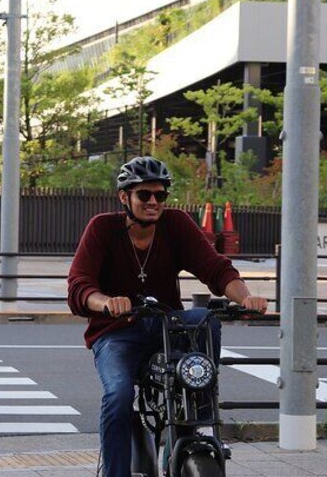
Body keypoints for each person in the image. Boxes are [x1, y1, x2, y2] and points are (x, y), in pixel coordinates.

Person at [66, 156, 267, 477]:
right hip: (116, 332)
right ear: (124, 197)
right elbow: (79, 286)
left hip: (165, 325)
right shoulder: (102, 228)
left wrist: (246, 297)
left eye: (160, 195)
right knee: (118, 396)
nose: (154, 202)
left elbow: (215, 268)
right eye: (144, 195)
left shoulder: (176, 224)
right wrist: (106, 302)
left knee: (204, 318)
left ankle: (196, 416)